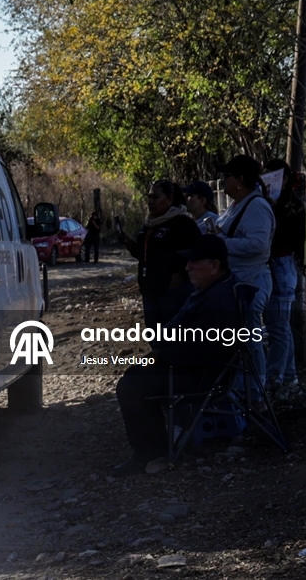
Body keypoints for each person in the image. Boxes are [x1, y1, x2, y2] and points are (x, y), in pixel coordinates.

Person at [113, 234, 241, 475]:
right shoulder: (214, 288)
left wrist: (161, 355)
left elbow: (205, 352)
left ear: (214, 265)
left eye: (194, 262)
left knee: (131, 386)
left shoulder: (218, 299)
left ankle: (149, 454)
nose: (187, 267)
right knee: (134, 374)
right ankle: (155, 448)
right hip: (195, 367)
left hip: (203, 377)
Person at [213, 155, 274, 395]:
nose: (223, 181)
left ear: (239, 180)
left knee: (250, 341)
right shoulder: (238, 204)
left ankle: (256, 395)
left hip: (252, 282)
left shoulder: (257, 206)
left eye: (227, 176)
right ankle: (239, 391)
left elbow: (258, 245)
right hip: (238, 282)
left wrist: (222, 244)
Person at [118, 180, 201, 328]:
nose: (151, 201)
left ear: (169, 199)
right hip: (149, 290)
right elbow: (146, 255)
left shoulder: (183, 224)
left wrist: (180, 273)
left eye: (156, 197)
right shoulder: (149, 224)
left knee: (174, 338)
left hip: (173, 293)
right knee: (155, 337)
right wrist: (130, 244)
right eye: (149, 197)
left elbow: (198, 253)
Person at [262, 159, 306, 398]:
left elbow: (290, 238)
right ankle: (288, 378)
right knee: (279, 326)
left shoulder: (291, 205)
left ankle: (274, 380)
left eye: (271, 177)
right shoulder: (276, 202)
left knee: (278, 327)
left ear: (284, 178)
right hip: (277, 267)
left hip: (281, 265)